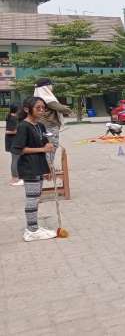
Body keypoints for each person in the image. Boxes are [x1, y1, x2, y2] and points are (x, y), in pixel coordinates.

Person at [11, 97, 57, 242]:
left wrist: (48, 167)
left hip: (39, 165)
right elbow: (18, 149)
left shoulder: (40, 126)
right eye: (38, 108)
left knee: (36, 198)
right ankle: (31, 231)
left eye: (43, 108)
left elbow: (45, 146)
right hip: (28, 167)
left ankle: (34, 227)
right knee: (32, 199)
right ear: (27, 109)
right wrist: (42, 148)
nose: (42, 110)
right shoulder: (23, 126)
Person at [33, 77, 72, 156]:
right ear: (46, 87)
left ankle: (46, 166)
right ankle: (49, 167)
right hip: (50, 127)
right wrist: (68, 110)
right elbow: (61, 108)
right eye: (51, 85)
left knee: (44, 146)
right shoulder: (47, 98)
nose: (52, 87)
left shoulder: (36, 98)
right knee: (52, 146)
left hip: (40, 126)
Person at [5, 104, 21, 186]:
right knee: (15, 159)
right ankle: (15, 179)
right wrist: (19, 131)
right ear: (17, 110)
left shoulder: (11, 117)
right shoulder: (13, 118)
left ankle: (15, 178)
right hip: (13, 142)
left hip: (12, 141)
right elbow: (8, 131)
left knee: (16, 159)